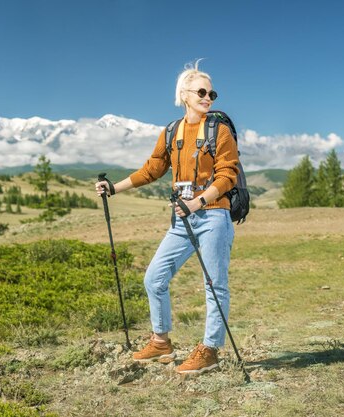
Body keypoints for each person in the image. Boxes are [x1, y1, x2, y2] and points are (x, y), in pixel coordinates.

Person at [95, 59, 239, 375]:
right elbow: (152, 169)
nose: (209, 98)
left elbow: (228, 176)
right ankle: (161, 341)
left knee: (215, 285)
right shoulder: (171, 131)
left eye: (212, 93)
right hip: (181, 221)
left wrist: (198, 203)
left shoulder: (219, 130)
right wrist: (113, 188)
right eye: (202, 91)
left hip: (214, 216)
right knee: (154, 278)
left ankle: (210, 349)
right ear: (184, 94)